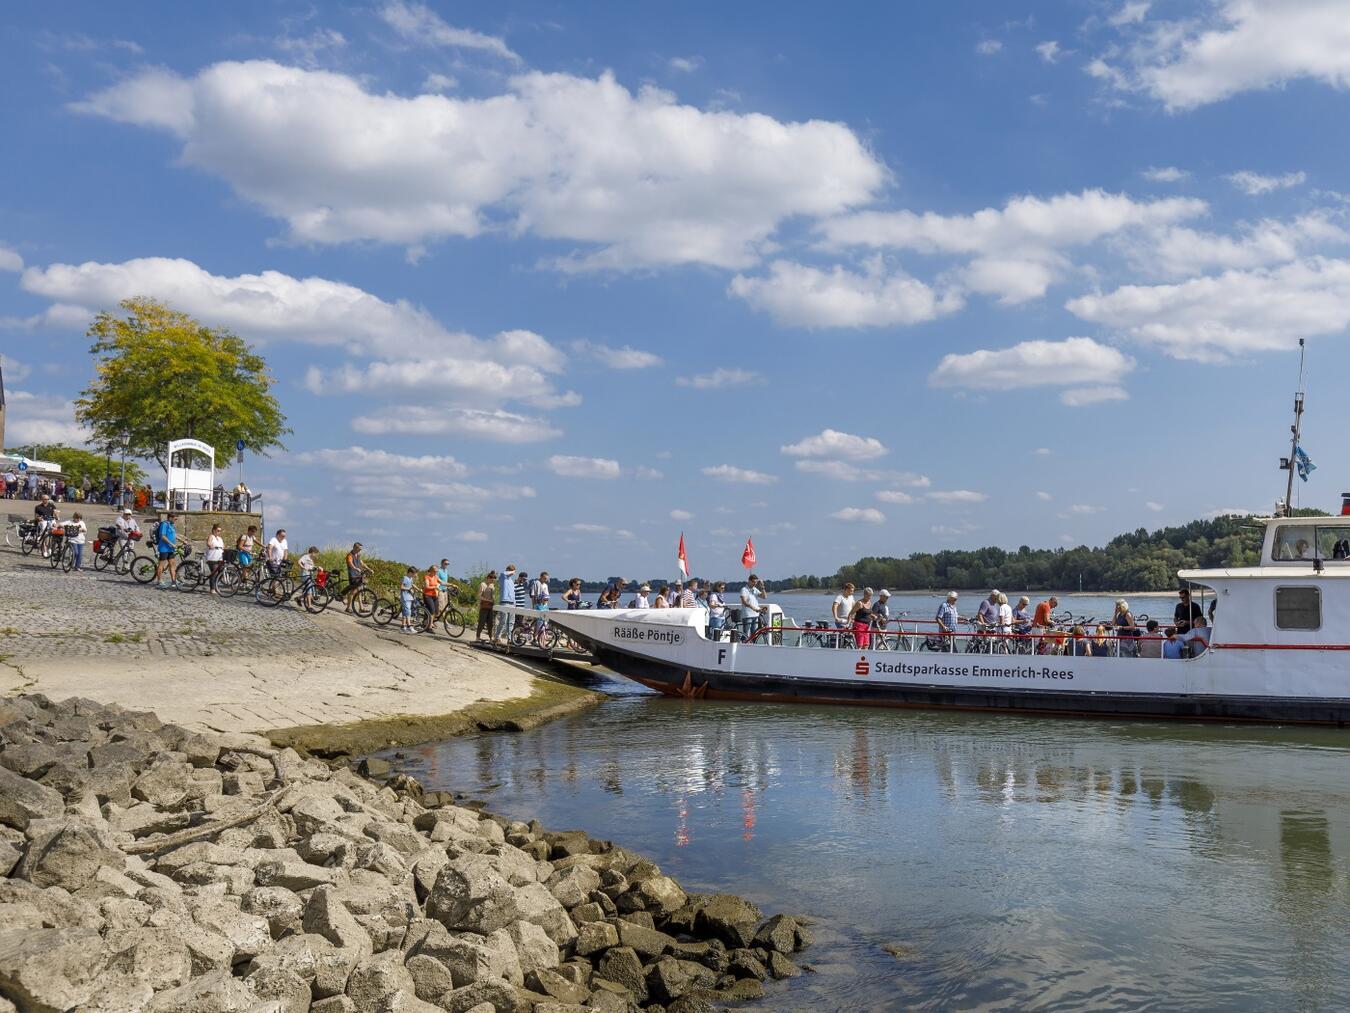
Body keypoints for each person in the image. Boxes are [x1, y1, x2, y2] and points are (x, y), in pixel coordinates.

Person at [343, 542, 371, 613]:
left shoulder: (358, 555)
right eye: (359, 549)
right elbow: (350, 563)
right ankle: (348, 607)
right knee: (354, 591)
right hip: (353, 576)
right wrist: (355, 568)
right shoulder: (350, 555)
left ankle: (361, 608)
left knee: (359, 591)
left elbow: (362, 563)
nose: (360, 550)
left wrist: (369, 569)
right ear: (355, 548)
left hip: (358, 575)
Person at [494, 565, 518, 644]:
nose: (513, 574)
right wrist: (513, 571)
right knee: (503, 621)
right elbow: (504, 573)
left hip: (512, 603)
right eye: (512, 571)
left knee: (511, 622)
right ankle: (497, 638)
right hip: (504, 602)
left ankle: (510, 639)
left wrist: (515, 603)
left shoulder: (511, 581)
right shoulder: (502, 577)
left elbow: (513, 593)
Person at [154, 512, 178, 588]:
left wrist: (183, 540)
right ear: (170, 518)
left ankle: (173, 581)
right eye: (175, 518)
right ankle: (159, 581)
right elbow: (163, 536)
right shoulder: (164, 524)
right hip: (164, 548)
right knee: (161, 565)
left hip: (171, 549)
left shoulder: (172, 525)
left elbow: (174, 535)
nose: (176, 520)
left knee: (172, 564)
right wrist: (171, 544)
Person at [740, 575, 767, 641]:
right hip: (747, 615)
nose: (755, 583)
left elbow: (764, 597)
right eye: (753, 582)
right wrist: (753, 608)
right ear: (749, 581)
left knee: (754, 634)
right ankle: (743, 645)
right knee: (746, 634)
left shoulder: (755, 589)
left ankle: (753, 647)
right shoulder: (744, 589)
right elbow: (744, 602)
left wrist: (762, 587)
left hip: (755, 615)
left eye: (756, 582)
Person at [476, 571, 497, 640]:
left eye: (493, 580)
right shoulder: (482, 584)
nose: (492, 581)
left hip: (491, 606)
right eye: (492, 580)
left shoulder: (492, 585)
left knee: (490, 623)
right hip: (484, 606)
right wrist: (488, 600)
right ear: (488, 578)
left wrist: (493, 600)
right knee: (481, 622)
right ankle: (478, 637)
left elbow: (493, 595)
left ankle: (491, 637)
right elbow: (479, 596)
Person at [205, 524, 226, 594]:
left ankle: (216, 586)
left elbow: (223, 546)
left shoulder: (220, 538)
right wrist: (210, 545)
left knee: (221, 572)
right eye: (218, 530)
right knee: (214, 572)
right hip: (212, 558)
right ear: (214, 530)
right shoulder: (211, 536)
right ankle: (212, 588)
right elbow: (208, 543)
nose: (219, 532)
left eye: (220, 531)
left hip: (220, 558)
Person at [422, 565, 442, 631]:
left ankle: (425, 622)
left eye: (437, 571)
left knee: (436, 612)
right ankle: (429, 627)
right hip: (427, 595)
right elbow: (426, 587)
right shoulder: (427, 577)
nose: (436, 572)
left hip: (434, 596)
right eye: (435, 571)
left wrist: (451, 585)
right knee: (432, 611)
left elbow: (442, 583)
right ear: (431, 571)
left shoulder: (436, 577)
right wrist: (435, 587)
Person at [400, 567, 417, 633]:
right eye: (414, 574)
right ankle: (409, 626)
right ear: (410, 573)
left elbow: (412, 585)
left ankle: (403, 627)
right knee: (408, 612)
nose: (414, 575)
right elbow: (401, 587)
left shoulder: (410, 578)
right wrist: (409, 589)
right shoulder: (405, 578)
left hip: (409, 597)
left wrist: (418, 590)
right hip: (405, 597)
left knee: (405, 612)